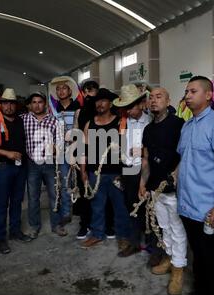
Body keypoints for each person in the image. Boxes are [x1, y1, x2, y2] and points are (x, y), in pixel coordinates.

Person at [177, 76, 214, 295]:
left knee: (211, 258)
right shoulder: (188, 126)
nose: (187, 96)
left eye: (193, 91)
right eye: (186, 91)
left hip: (207, 208)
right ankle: (201, 294)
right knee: (198, 256)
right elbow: (184, 159)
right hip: (187, 204)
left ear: (209, 95)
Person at [140, 87, 187, 295]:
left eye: (159, 97)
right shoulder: (148, 130)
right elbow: (146, 159)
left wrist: (176, 175)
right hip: (155, 190)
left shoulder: (178, 125)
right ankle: (168, 258)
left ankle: (178, 269)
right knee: (164, 227)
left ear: (169, 100)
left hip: (174, 189)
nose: (153, 100)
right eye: (151, 97)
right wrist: (143, 182)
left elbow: (186, 155)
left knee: (178, 230)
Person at [80, 88, 132, 254]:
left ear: (110, 103)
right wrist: (82, 172)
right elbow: (83, 150)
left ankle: (123, 236)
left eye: (103, 100)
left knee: (120, 206)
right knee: (97, 205)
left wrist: (125, 173)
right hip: (95, 173)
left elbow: (127, 149)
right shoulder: (90, 123)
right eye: (97, 101)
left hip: (116, 173)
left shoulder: (120, 123)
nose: (100, 103)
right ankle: (97, 233)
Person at [0, 88, 31, 254]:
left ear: (16, 105)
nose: (8, 106)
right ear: (0, 104)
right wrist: (7, 153)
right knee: (3, 203)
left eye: (11, 103)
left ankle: (15, 232)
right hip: (3, 168)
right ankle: (0, 238)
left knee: (17, 202)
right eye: (5, 103)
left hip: (20, 167)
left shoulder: (20, 121)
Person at [21, 92, 67, 238]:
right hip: (32, 163)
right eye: (34, 102)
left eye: (40, 102)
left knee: (55, 195)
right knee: (33, 196)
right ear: (30, 105)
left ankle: (56, 225)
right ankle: (34, 226)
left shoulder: (54, 121)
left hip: (49, 163)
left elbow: (61, 142)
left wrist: (55, 147)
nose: (37, 105)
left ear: (45, 104)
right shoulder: (22, 119)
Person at [115, 84, 150, 257]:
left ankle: (152, 246)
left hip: (144, 169)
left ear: (141, 103)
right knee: (131, 205)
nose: (128, 111)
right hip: (128, 168)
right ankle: (134, 242)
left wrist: (142, 151)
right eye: (125, 107)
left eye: (131, 106)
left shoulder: (150, 122)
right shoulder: (123, 123)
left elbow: (156, 149)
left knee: (147, 206)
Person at [48, 76, 82, 226]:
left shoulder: (78, 108)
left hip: (78, 150)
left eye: (64, 88)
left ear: (70, 91)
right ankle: (67, 212)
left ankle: (81, 210)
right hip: (61, 152)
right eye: (58, 89)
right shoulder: (53, 111)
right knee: (64, 182)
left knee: (80, 180)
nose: (61, 91)